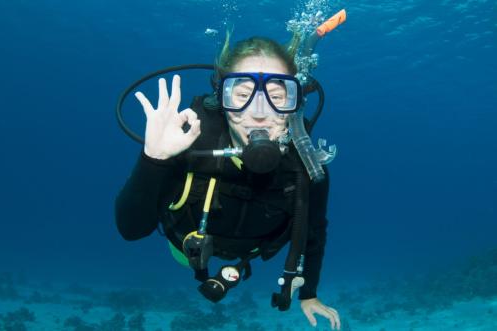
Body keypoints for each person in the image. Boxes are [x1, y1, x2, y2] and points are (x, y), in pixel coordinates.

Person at [115, 35, 341, 330]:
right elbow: (131, 230)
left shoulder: (306, 164)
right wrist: (154, 158)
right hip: (185, 248)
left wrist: (308, 294)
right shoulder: (188, 145)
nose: (259, 112)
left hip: (253, 253)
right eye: (242, 93)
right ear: (222, 97)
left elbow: (314, 231)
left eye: (277, 95)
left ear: (295, 105)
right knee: (182, 258)